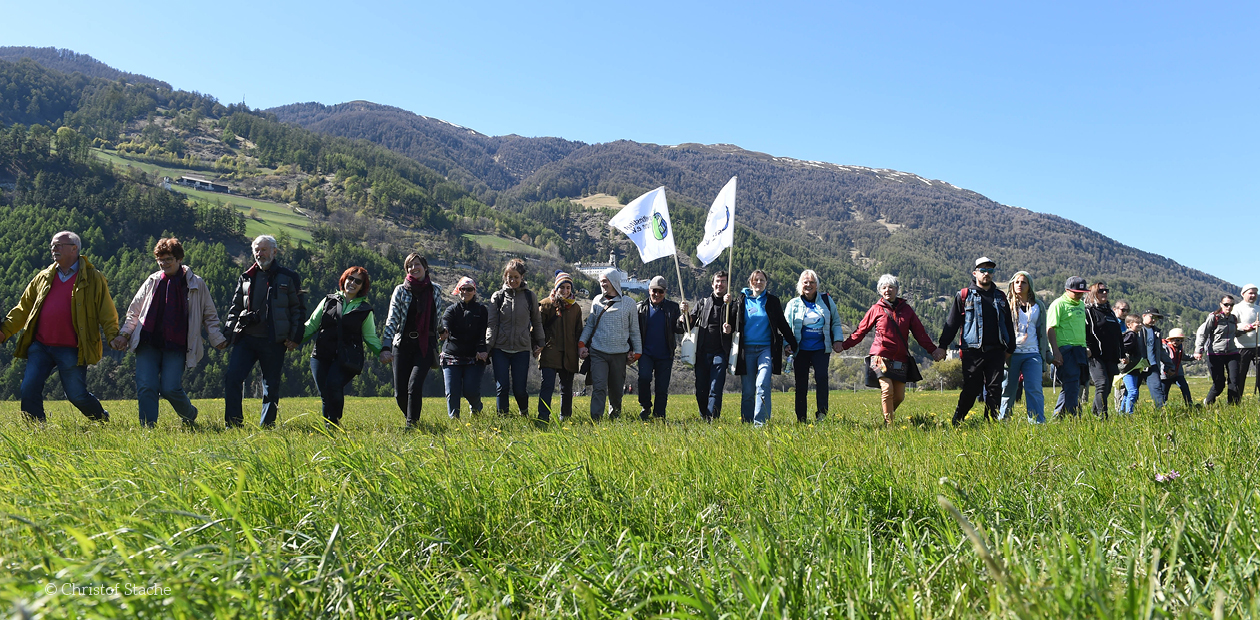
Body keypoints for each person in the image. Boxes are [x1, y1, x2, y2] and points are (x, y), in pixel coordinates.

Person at [1, 231, 119, 422]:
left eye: (59, 245)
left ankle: (100, 418)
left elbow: (106, 311)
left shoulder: (93, 277)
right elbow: (23, 309)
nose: (54, 249)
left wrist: (113, 335)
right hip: (41, 345)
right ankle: (36, 429)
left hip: (72, 348)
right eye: (52, 246)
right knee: (29, 388)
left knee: (76, 395)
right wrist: (4, 331)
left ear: (75, 249)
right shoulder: (43, 277)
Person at [113, 238, 228, 427]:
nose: (164, 263)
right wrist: (125, 334)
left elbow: (209, 315)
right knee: (146, 385)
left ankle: (189, 414)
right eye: (160, 259)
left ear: (179, 259)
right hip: (148, 341)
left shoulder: (196, 284)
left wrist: (216, 338)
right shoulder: (152, 281)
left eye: (168, 259)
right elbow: (134, 312)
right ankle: (148, 428)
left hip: (177, 344)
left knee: (170, 388)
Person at [223, 235, 306, 428]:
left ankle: (267, 426)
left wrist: (295, 337)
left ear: (274, 252)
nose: (260, 254)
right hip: (246, 338)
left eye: (264, 250)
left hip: (274, 340)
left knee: (271, 385)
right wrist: (228, 334)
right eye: (257, 250)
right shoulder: (246, 277)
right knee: (232, 378)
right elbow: (235, 308)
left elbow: (298, 310)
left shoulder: (289, 277)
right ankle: (233, 425)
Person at [841, 274, 945, 425]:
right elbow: (860, 331)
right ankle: (890, 424)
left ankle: (886, 419)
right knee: (887, 389)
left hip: (900, 359)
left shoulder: (907, 310)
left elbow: (920, 333)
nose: (887, 290)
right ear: (879, 291)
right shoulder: (875, 309)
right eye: (884, 287)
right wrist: (844, 345)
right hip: (880, 356)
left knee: (899, 396)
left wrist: (933, 350)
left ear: (897, 290)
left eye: (891, 287)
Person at [301, 266, 382, 429]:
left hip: (348, 358)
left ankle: (334, 420)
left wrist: (383, 353)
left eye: (358, 281)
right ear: (344, 279)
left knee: (333, 384)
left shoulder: (365, 310)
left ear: (362, 287)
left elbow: (370, 337)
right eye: (350, 278)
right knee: (325, 392)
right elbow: (311, 325)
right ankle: (330, 426)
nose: (352, 283)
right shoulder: (328, 300)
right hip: (321, 354)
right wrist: (293, 340)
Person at [938, 257, 1015, 425]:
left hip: (996, 350)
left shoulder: (1000, 297)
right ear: (975, 273)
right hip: (972, 351)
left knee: (995, 390)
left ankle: (991, 424)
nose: (987, 273)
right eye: (983, 270)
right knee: (972, 389)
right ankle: (957, 420)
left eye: (990, 270)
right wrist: (943, 346)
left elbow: (1008, 324)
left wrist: (1011, 347)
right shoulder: (964, 295)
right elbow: (952, 323)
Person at [727, 269, 798, 426]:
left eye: (762, 280)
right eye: (755, 280)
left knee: (762, 384)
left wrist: (792, 343)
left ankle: (760, 424)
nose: (758, 283)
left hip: (766, 349)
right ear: (750, 282)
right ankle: (746, 422)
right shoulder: (741, 300)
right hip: (746, 351)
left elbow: (782, 324)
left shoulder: (772, 301)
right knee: (747, 391)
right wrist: (728, 306)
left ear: (766, 283)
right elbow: (730, 321)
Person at [380, 253, 442, 428]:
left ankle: (411, 425)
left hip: (425, 345)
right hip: (402, 344)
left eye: (417, 264)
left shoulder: (435, 289)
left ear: (425, 266)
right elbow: (392, 320)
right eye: (409, 266)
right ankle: (414, 421)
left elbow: (437, 315)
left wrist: (442, 330)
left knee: (414, 386)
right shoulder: (401, 290)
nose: (413, 268)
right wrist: (386, 346)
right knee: (400, 393)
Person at [578, 268, 642, 420]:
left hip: (619, 354)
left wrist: (637, 351)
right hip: (598, 352)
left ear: (614, 281)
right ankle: (596, 419)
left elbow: (634, 330)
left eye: (605, 281)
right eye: (601, 281)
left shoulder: (629, 304)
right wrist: (581, 344)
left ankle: (615, 418)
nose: (602, 284)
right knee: (599, 387)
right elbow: (590, 326)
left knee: (616, 390)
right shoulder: (596, 301)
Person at [785, 269, 845, 423]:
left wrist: (838, 340)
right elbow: (785, 327)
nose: (809, 285)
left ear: (817, 285)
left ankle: (822, 416)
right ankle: (801, 419)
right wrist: (786, 345)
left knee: (822, 379)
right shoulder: (793, 304)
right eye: (805, 282)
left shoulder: (826, 301)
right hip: (800, 350)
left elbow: (836, 323)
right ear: (800, 285)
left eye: (812, 282)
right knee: (801, 385)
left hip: (821, 349)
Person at [486, 258, 544, 417]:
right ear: (505, 277)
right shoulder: (497, 297)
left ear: (522, 277)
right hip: (500, 349)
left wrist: (540, 343)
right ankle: (502, 419)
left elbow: (537, 322)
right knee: (502, 387)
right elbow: (492, 324)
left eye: (516, 277)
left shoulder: (529, 297)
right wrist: (488, 347)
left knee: (520, 389)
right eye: (509, 277)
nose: (512, 280)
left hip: (521, 349)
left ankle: (523, 413)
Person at [998, 271, 1050, 423]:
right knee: (1008, 389)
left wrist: (1046, 353)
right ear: (1012, 285)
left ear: (1030, 286)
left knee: (1034, 389)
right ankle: (1003, 421)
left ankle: (1037, 422)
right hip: (1011, 354)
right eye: (1017, 282)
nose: (1020, 285)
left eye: (1024, 282)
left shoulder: (1038, 306)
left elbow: (1042, 331)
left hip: (1033, 353)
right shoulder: (1006, 304)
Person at [684, 271, 736, 422]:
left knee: (715, 388)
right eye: (717, 281)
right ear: (712, 284)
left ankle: (712, 420)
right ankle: (704, 415)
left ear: (727, 284)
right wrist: (685, 314)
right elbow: (690, 323)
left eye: (723, 281)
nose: (720, 284)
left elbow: (738, 323)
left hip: (720, 352)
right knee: (701, 389)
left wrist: (730, 327)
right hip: (701, 352)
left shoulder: (731, 305)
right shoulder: (703, 303)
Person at [636, 276, 684, 420]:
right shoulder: (640, 308)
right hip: (646, 353)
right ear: (649, 290)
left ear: (665, 292)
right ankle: (645, 406)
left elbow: (679, 330)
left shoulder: (673, 307)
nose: (657, 294)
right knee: (644, 379)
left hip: (665, 354)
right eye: (654, 291)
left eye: (660, 292)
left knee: (662, 387)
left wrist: (683, 319)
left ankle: (659, 415)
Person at [441, 276, 489, 420]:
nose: (465, 292)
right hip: (451, 356)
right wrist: (444, 331)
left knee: (471, 391)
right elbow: (445, 322)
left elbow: (483, 331)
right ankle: (454, 421)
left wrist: (482, 349)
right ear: (458, 291)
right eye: (463, 289)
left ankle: (476, 410)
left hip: (474, 357)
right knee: (452, 392)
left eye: (469, 289)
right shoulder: (452, 310)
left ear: (474, 291)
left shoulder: (482, 310)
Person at [538, 271, 582, 422]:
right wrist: (537, 345)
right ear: (556, 288)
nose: (565, 290)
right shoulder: (545, 305)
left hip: (569, 354)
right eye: (562, 287)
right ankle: (543, 417)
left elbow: (578, 332)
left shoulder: (576, 308)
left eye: (568, 287)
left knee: (567, 389)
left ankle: (566, 417)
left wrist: (580, 349)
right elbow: (537, 329)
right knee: (547, 387)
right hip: (550, 353)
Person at [1044, 276, 1090, 417]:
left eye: (1081, 292)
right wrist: (1056, 351)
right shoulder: (1058, 304)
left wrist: (1085, 347)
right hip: (1065, 349)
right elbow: (1050, 328)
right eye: (1076, 292)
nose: (1079, 294)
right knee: (1071, 382)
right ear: (1067, 290)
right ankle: (1073, 415)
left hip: (1080, 350)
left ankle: (1058, 416)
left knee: (1074, 384)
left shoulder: (1082, 305)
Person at [1084, 281, 1124, 418]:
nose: (1105, 293)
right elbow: (1085, 331)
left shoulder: (1110, 312)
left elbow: (1118, 334)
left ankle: (1095, 411)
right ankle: (1102, 416)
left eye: (1106, 290)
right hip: (1095, 355)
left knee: (1106, 389)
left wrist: (1122, 353)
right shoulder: (1088, 311)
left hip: (1111, 355)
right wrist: (1087, 347)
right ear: (1093, 293)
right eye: (1101, 291)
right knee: (1102, 383)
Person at [1196, 295, 1242, 406]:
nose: (1229, 307)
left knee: (1234, 381)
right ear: (1221, 304)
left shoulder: (1233, 318)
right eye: (1226, 304)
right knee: (1219, 383)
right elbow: (1203, 333)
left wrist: (1249, 328)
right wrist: (1199, 350)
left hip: (1232, 352)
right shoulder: (1214, 318)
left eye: (1231, 305)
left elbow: (1235, 333)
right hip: (1215, 353)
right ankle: (1208, 402)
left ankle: (1233, 406)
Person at [1136, 308, 1170, 409]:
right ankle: (1127, 413)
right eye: (1152, 317)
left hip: (1152, 365)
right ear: (1144, 316)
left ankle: (1161, 412)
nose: (1154, 320)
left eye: (1156, 318)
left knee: (1157, 389)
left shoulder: (1156, 332)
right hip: (1137, 365)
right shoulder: (1137, 329)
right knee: (1132, 391)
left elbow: (1161, 351)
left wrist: (1169, 364)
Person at [1231, 284, 1259, 396]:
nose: (1253, 295)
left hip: (1258, 345)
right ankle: (1236, 402)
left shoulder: (1258, 309)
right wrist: (1245, 327)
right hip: (1242, 347)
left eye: (1255, 293)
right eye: (1250, 293)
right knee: (1240, 375)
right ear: (1243, 294)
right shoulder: (1237, 308)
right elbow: (1233, 325)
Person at [1117, 314, 1147, 414]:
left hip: (1134, 367)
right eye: (1137, 323)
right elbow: (1123, 347)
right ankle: (1129, 413)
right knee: (1133, 391)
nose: (1140, 324)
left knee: (1127, 392)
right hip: (1129, 368)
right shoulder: (1131, 335)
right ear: (1129, 325)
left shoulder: (1134, 335)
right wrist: (1124, 357)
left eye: (1140, 323)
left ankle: (1122, 413)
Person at [1161, 328, 1194, 406]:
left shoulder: (1179, 348)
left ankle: (1190, 405)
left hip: (1177, 373)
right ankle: (1162, 408)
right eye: (1176, 340)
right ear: (1171, 339)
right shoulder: (1164, 348)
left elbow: (1183, 357)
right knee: (1164, 392)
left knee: (1185, 388)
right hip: (1166, 374)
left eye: (1181, 340)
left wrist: (1194, 357)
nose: (1178, 342)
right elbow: (1162, 360)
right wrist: (1167, 370)